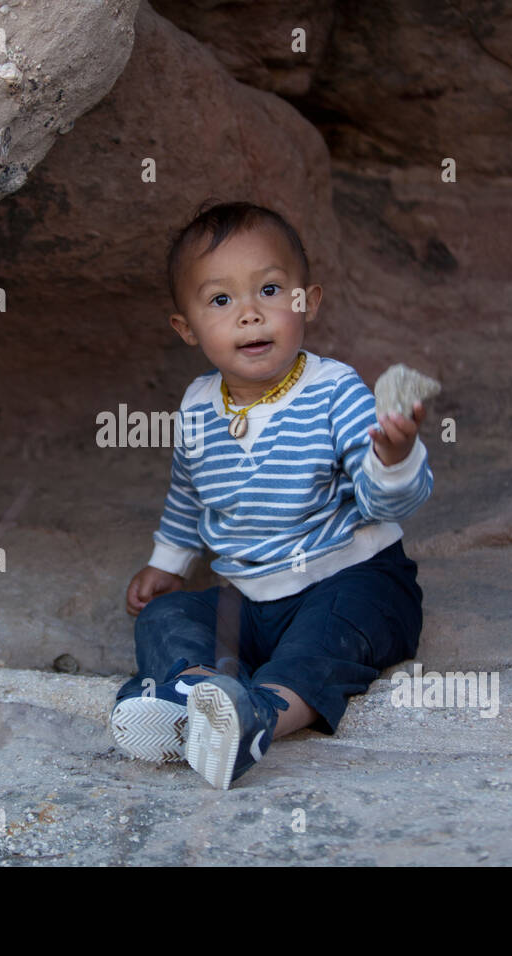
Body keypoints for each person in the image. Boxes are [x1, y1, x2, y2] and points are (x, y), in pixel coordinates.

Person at [109, 200, 433, 789]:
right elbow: (188, 493)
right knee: (165, 616)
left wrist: (392, 456)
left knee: (322, 642)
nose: (251, 316)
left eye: (271, 291)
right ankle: (196, 691)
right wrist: (167, 562)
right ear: (186, 327)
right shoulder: (197, 405)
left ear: (308, 299)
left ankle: (258, 715)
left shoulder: (335, 390)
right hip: (250, 600)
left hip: (351, 578)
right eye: (221, 300)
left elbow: (385, 501)